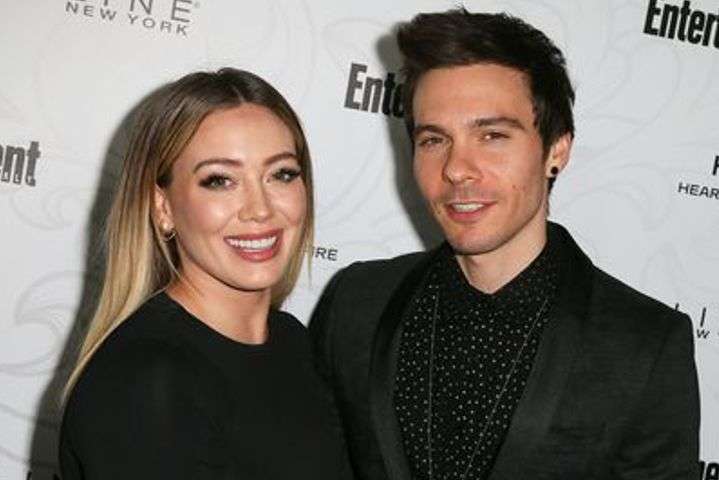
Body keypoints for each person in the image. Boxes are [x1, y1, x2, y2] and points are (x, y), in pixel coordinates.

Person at [310, 8, 699, 480]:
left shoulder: (643, 345)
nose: (457, 168)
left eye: (492, 136)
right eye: (434, 140)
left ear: (556, 150)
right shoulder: (356, 304)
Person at [59, 68, 350, 480]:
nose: (260, 209)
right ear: (162, 207)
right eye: (220, 181)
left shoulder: (294, 343)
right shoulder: (144, 381)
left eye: (281, 174)